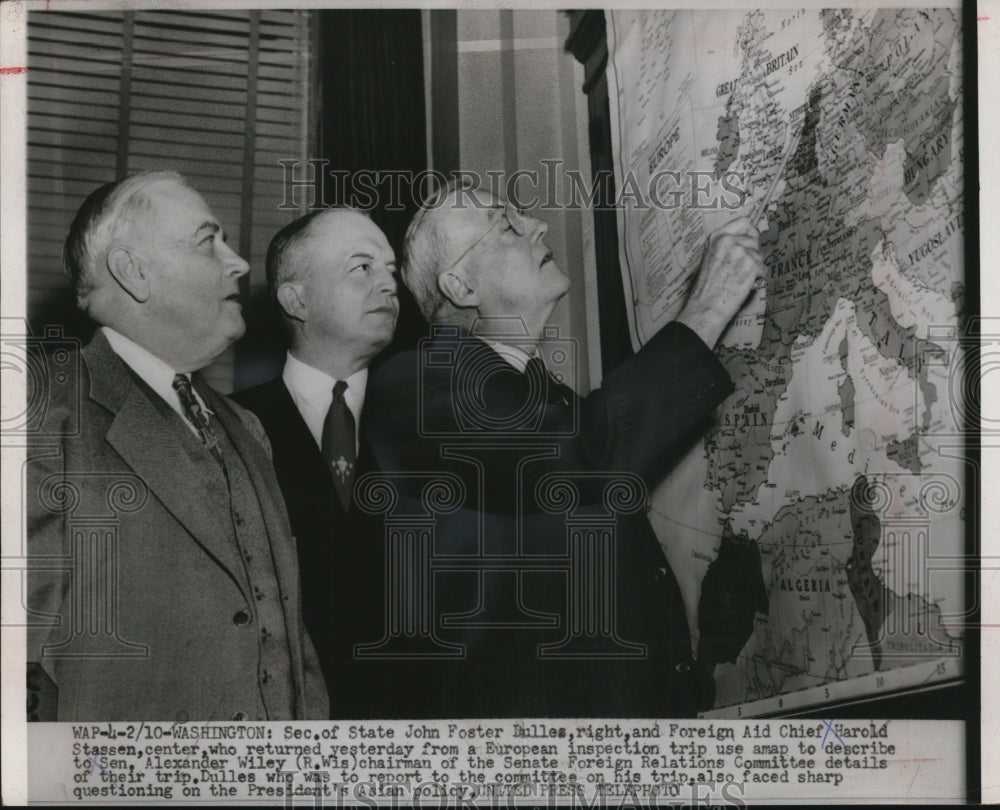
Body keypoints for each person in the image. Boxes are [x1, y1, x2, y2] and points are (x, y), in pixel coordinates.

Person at [363, 180, 763, 717]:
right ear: (460, 286)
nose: (539, 225)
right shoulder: (413, 382)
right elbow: (583, 459)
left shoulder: (542, 394)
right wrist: (708, 307)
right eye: (506, 224)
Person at [25, 170, 328, 721]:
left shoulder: (245, 426)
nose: (237, 262)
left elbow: (288, 642)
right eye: (207, 241)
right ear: (134, 272)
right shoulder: (38, 408)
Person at [232, 208, 401, 716]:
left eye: (392, 270)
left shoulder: (426, 418)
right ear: (296, 298)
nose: (390, 286)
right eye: (362, 268)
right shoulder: (232, 427)